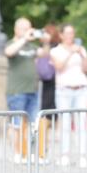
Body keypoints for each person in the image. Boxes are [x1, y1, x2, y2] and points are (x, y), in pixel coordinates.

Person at [4, 17, 50, 163]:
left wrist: (46, 42)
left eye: (30, 28)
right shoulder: (13, 43)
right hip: (17, 90)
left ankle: (29, 153)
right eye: (24, 28)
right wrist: (24, 39)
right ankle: (17, 153)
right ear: (16, 29)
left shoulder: (31, 47)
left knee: (33, 124)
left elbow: (44, 53)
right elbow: (9, 52)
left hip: (32, 90)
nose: (28, 31)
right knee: (16, 124)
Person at [50, 23, 87, 167]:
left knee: (81, 123)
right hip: (64, 90)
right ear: (61, 35)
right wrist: (70, 53)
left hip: (81, 89)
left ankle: (82, 156)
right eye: (67, 33)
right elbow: (59, 67)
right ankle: (64, 155)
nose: (70, 36)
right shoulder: (56, 51)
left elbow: (86, 69)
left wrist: (81, 54)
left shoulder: (81, 49)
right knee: (65, 123)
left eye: (72, 33)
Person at [35, 23, 60, 161]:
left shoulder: (57, 48)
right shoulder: (42, 49)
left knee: (53, 114)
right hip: (45, 84)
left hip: (56, 83)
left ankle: (48, 144)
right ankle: (43, 147)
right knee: (45, 115)